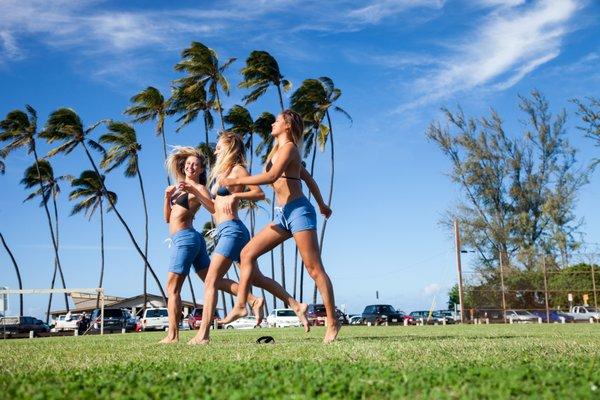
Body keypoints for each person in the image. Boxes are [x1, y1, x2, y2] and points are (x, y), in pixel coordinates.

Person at [218, 110, 340, 343]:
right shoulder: (278, 151)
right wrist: (323, 204)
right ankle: (242, 305)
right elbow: (308, 178)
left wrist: (236, 182)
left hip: (299, 212)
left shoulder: (291, 148)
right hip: (283, 215)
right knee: (247, 254)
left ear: (287, 125)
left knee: (314, 269)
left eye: (277, 120)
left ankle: (333, 321)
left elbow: (272, 176)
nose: (272, 123)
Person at [189, 132, 309, 345]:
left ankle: (203, 334)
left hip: (232, 231)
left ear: (228, 148)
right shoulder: (222, 174)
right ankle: (296, 305)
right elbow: (215, 207)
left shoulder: (238, 169)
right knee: (257, 279)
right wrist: (196, 192)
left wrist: (236, 195)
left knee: (211, 280)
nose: (215, 150)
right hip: (227, 230)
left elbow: (259, 193)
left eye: (218, 147)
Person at [160, 146, 264, 343]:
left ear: (200, 170)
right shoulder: (177, 189)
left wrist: (196, 192)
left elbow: (213, 207)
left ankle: (172, 336)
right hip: (188, 238)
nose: (191, 167)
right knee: (212, 279)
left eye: (196, 165)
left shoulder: (198, 188)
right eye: (188, 164)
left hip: (185, 238)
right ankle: (251, 299)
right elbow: (168, 218)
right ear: (183, 166)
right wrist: (167, 198)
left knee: (172, 288)